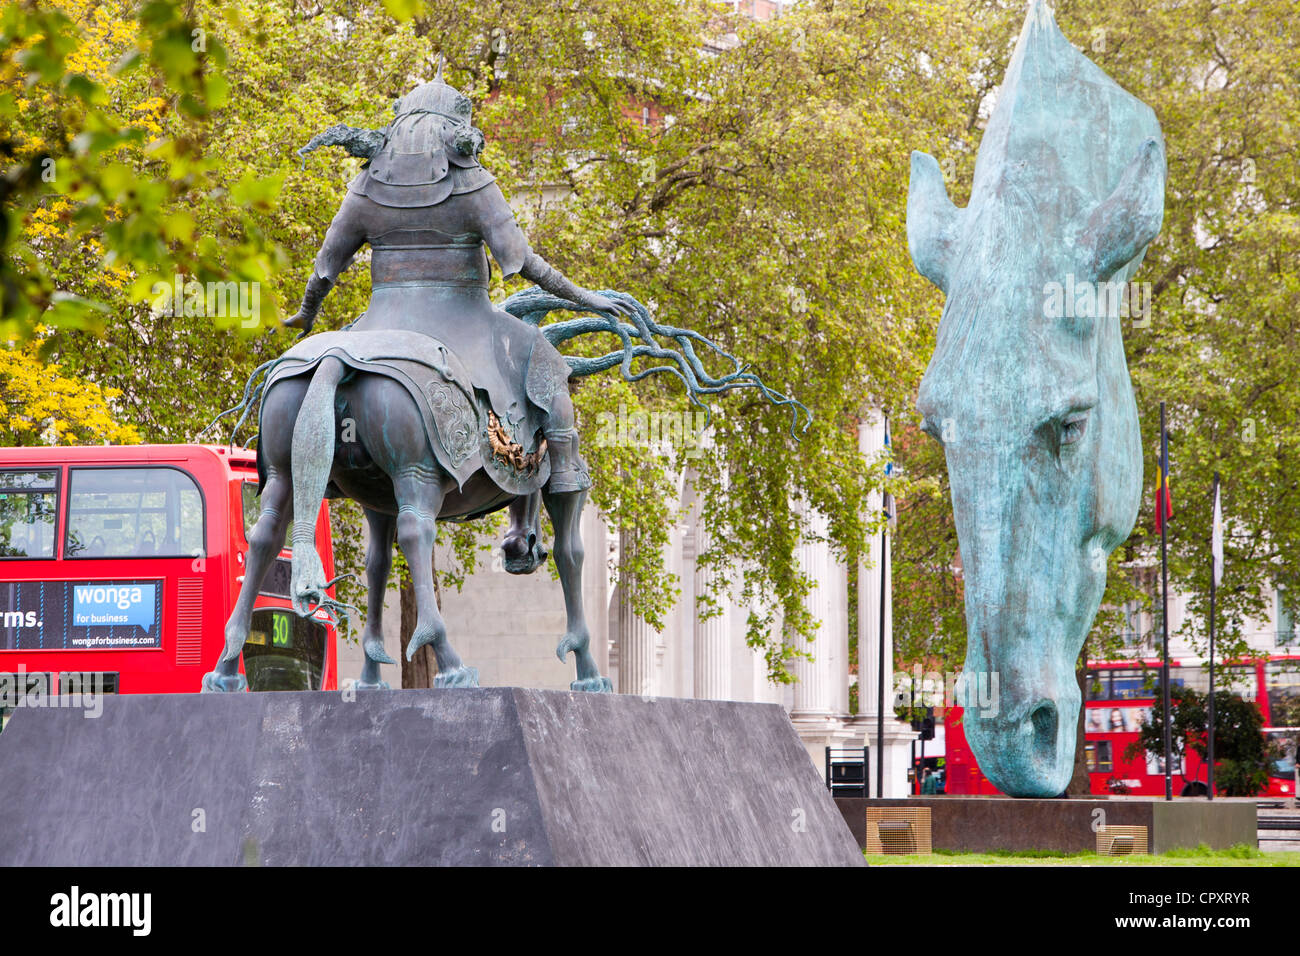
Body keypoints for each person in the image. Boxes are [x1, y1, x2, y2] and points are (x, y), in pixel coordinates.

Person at [285, 64, 632, 496]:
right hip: (467, 325)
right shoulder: (471, 180)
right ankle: (563, 471)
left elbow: (325, 267)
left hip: (376, 327)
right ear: (455, 131)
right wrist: (584, 298)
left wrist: (306, 313)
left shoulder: (365, 186)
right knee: (546, 360)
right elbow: (522, 260)